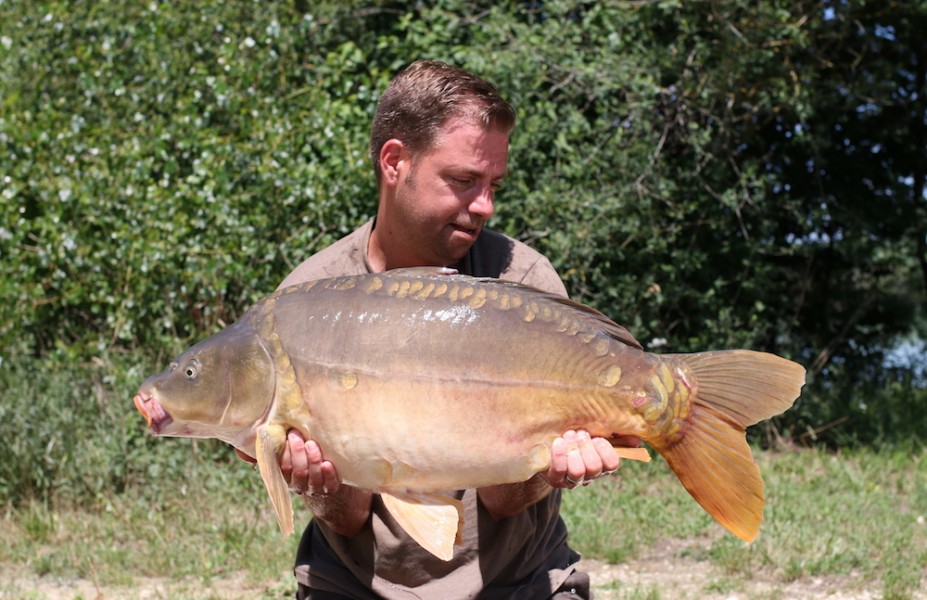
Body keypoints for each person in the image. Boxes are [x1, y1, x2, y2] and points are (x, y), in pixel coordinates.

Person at [267, 60, 639, 599]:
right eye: (464, 181)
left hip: (517, 582)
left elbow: (503, 502)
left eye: (493, 184)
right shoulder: (310, 302)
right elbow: (348, 522)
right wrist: (319, 487)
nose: (484, 205)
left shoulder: (521, 281)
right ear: (395, 162)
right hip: (357, 586)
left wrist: (549, 467)